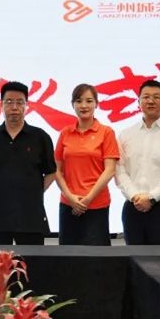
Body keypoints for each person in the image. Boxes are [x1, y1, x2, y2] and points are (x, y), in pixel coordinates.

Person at [0, 81, 56, 245]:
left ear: (26, 105)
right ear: (1, 105)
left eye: (20, 102)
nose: (14, 107)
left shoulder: (40, 137)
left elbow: (51, 171)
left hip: (31, 216)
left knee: (33, 260)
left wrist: (35, 190)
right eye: (9, 102)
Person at [115, 80, 160, 245]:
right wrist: (135, 195)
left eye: (156, 97)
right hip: (133, 208)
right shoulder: (126, 134)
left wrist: (152, 198)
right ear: (138, 101)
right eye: (146, 97)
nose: (151, 101)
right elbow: (119, 170)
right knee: (134, 257)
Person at [54, 84, 120, 245]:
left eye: (89, 101)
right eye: (79, 101)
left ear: (96, 104)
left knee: (97, 256)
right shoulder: (65, 133)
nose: (84, 105)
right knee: (68, 254)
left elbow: (110, 170)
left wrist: (88, 199)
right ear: (72, 105)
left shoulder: (106, 132)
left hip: (97, 204)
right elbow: (56, 170)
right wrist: (70, 197)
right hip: (68, 204)